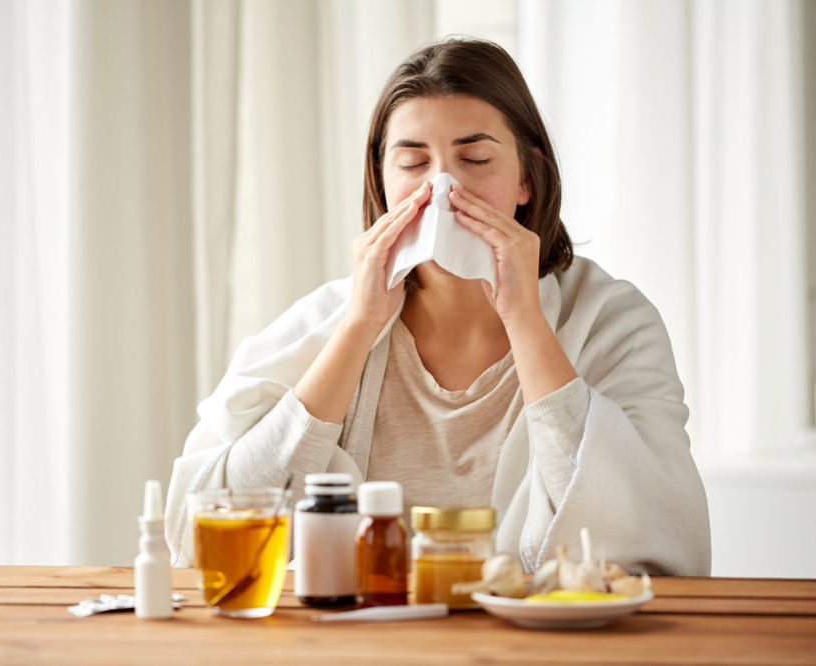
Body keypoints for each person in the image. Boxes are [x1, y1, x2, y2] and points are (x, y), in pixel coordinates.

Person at [165, 38, 711, 575]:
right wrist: (358, 329)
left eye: (474, 158)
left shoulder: (613, 321)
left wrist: (525, 321)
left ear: (527, 178)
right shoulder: (325, 321)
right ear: (382, 182)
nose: (443, 189)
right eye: (412, 162)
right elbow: (202, 538)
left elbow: (650, 541)